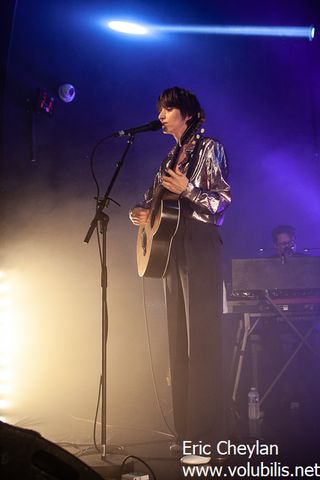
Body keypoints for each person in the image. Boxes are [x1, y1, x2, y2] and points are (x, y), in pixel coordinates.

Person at [129, 87, 231, 453]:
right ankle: (185, 431)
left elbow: (219, 205)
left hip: (200, 245)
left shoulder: (209, 148)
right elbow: (149, 201)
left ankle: (207, 433)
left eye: (168, 109)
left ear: (187, 114)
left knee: (201, 341)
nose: (161, 115)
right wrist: (140, 215)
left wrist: (188, 189)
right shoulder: (170, 157)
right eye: (160, 109)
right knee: (177, 340)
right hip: (172, 247)